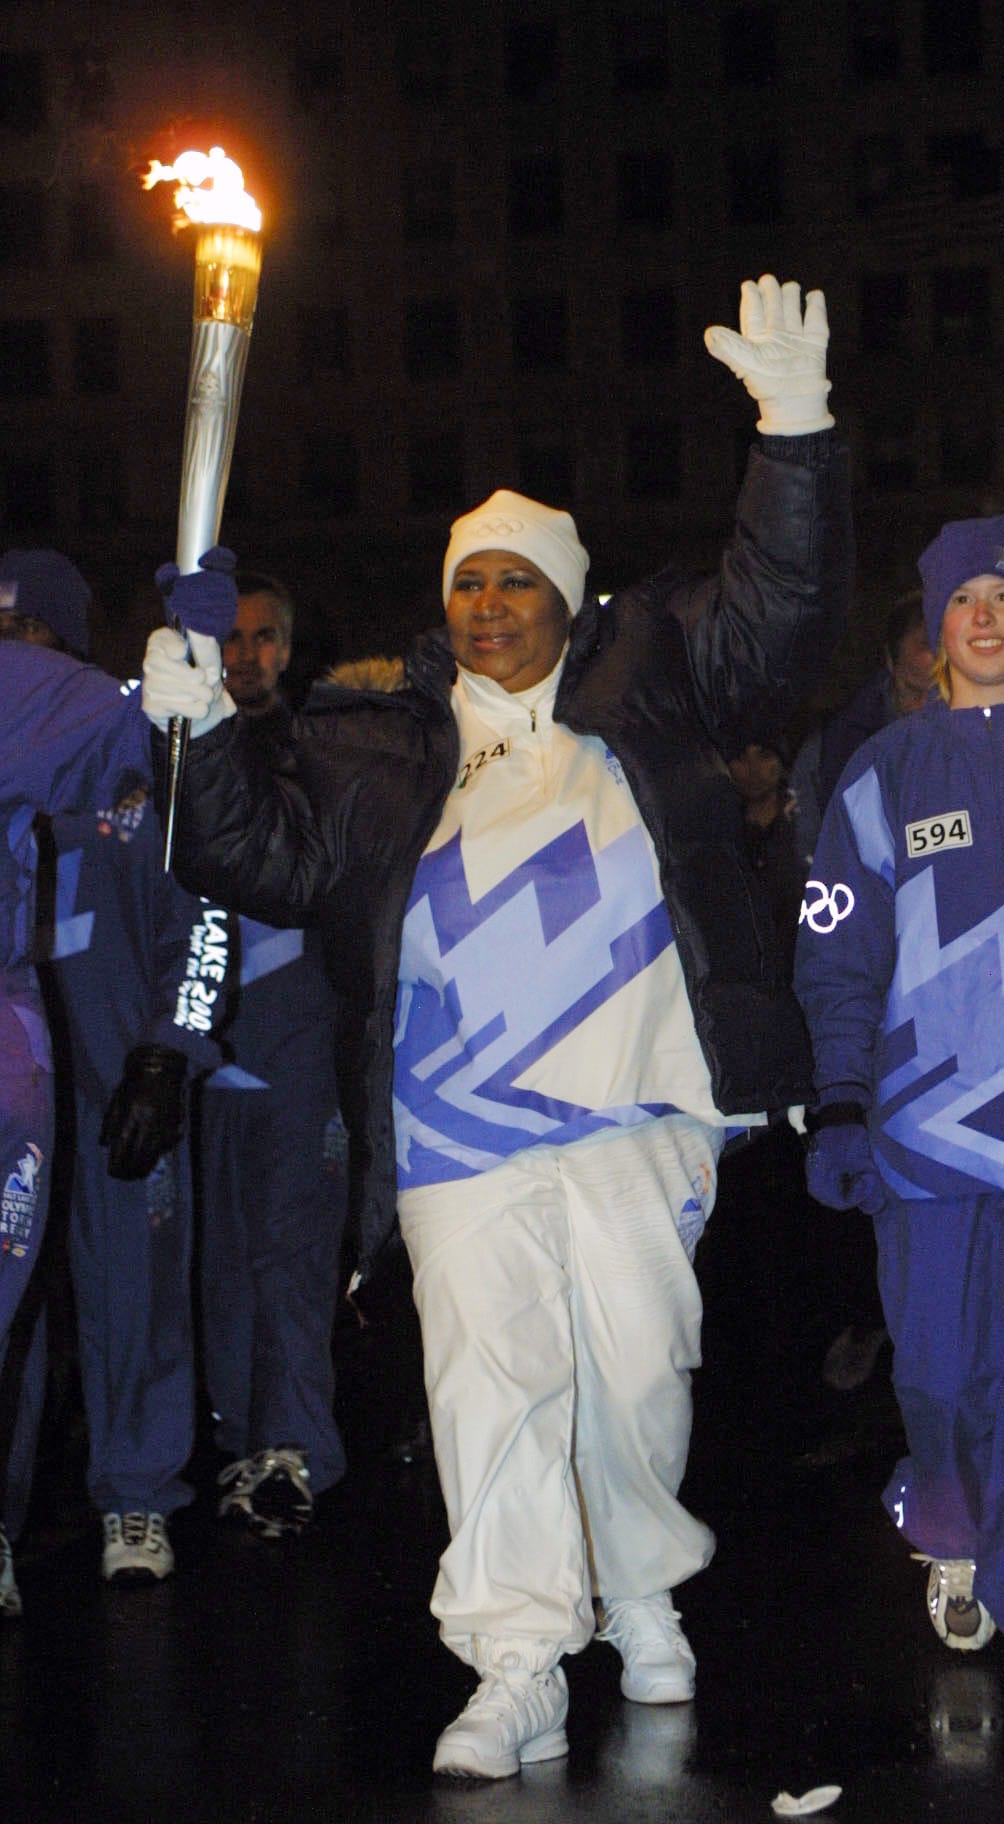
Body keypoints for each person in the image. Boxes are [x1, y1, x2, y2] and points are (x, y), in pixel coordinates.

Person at [141, 275, 852, 1779]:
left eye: (517, 581)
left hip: (637, 1116)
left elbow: (784, 615)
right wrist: (197, 728)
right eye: (469, 582)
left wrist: (794, 434)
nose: (487, 605)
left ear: (569, 597)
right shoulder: (375, 743)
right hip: (456, 1133)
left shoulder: (651, 677)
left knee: (639, 1376)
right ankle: (520, 1656)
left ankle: (645, 1590)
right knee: (491, 1390)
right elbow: (240, 856)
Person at [795, 515, 1004, 1657]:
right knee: (933, 1370)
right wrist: (837, 1098)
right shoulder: (883, 774)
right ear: (931, 632)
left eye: (1003, 593)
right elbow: (837, 953)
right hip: (924, 1130)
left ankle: (981, 1550)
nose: (984, 614)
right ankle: (948, 1514)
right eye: (963, 598)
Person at [0, 549, 150, 1615]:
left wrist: (181, 685)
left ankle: (124, 1488)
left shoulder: (37, 706)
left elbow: (164, 753)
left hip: (50, 1051)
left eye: (31, 629)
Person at [37, 780, 229, 1583]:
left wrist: (166, 1052)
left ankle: (137, 1490)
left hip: (113, 1089)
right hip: (25, 1079)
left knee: (135, 1293)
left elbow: (206, 927)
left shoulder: (146, 788)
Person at [198, 574, 347, 1537]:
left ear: (287, 650)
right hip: (208, 1043)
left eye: (264, 639)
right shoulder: (184, 749)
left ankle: (296, 1447)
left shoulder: (320, 749)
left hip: (297, 1039)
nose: (248, 655)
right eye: (234, 640)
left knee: (292, 1253)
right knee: (225, 1259)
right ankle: (240, 1440)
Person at [790, 591, 934, 868]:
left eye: (940, 691)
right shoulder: (834, 748)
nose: (924, 709)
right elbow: (807, 856)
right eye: (913, 691)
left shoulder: (983, 741)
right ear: (891, 662)